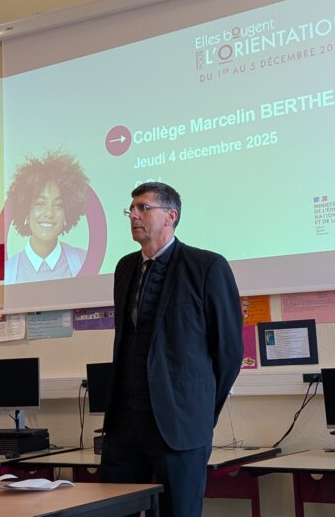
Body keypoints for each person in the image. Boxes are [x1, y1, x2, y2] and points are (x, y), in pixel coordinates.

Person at [100, 182, 243, 517]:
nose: (133, 215)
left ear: (170, 216)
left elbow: (229, 353)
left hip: (178, 426)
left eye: (143, 207)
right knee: (109, 510)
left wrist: (200, 410)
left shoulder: (207, 267)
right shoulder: (124, 268)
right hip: (124, 424)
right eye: (131, 209)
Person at [3, 150, 89, 283]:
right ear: (25, 211)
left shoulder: (84, 260)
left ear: (67, 213)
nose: (49, 213)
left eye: (58, 205)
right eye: (40, 203)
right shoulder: (6, 271)